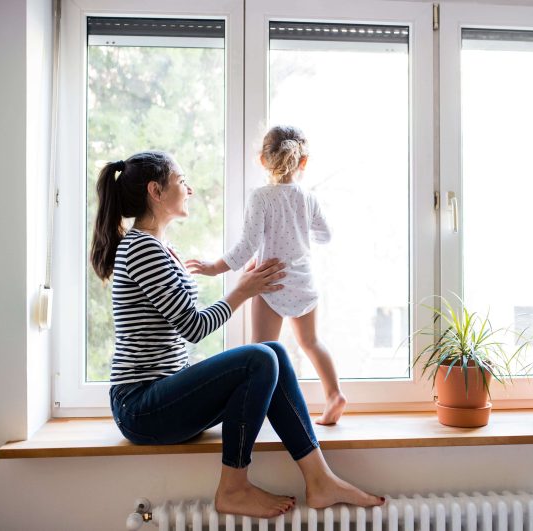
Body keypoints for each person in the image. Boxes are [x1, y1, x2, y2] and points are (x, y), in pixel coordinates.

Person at [90, 150, 383, 519]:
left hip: (162, 396)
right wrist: (242, 290)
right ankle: (233, 487)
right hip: (140, 407)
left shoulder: (157, 248)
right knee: (259, 357)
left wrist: (242, 285)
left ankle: (319, 479)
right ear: (156, 191)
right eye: (182, 181)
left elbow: (181, 320)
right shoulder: (143, 249)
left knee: (273, 351)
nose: (190, 188)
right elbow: (193, 327)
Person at [191, 126, 346, 425]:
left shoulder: (260, 198)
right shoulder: (308, 198)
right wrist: (299, 230)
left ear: (262, 160)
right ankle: (334, 395)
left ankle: (258, 411)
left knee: (260, 352)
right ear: (303, 162)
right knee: (311, 342)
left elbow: (247, 246)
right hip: (303, 281)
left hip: (269, 282)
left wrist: (213, 267)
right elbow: (325, 236)